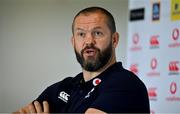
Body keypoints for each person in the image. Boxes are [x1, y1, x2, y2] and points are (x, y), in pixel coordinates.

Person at [14, 6, 150, 113]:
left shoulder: (126, 84)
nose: (89, 41)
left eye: (97, 33)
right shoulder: (63, 87)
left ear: (114, 40)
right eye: (81, 34)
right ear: (73, 42)